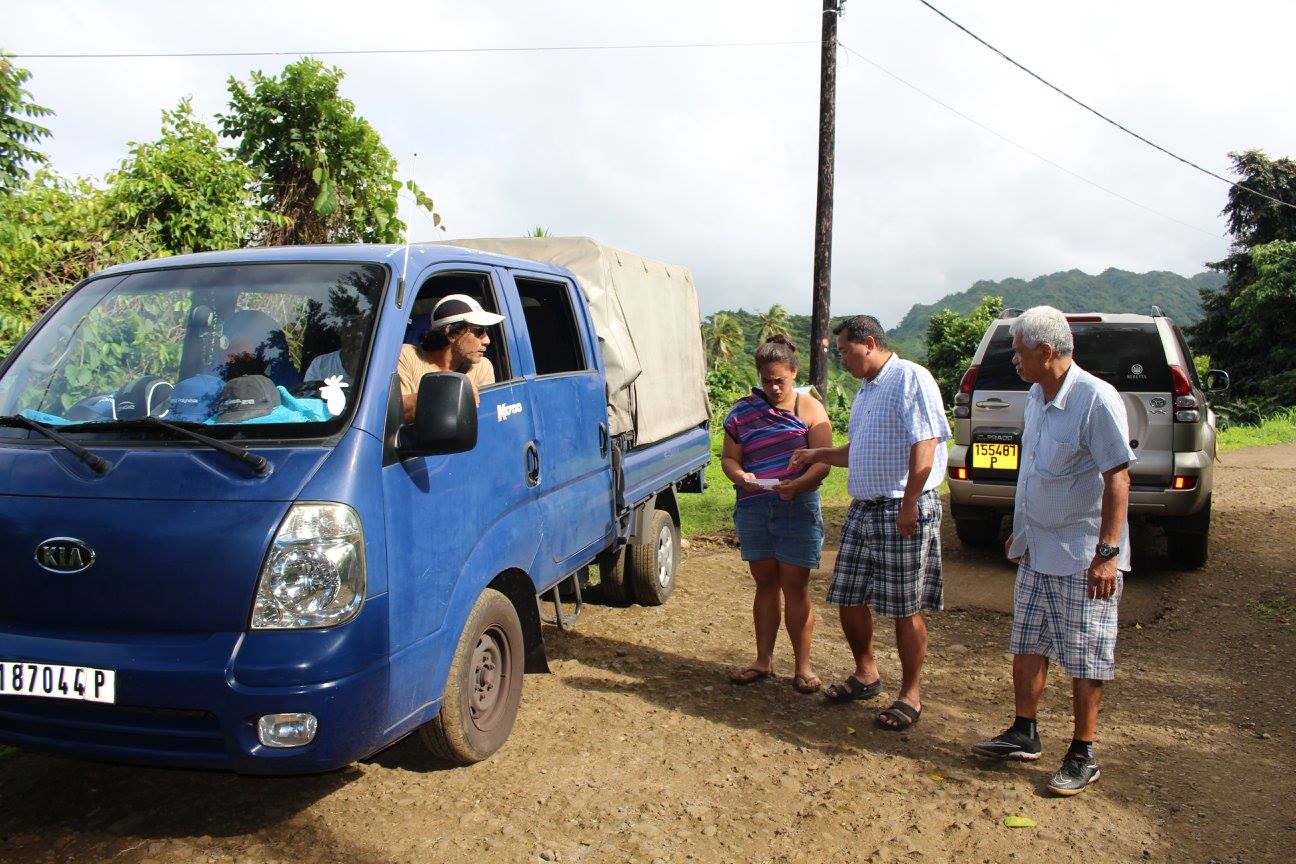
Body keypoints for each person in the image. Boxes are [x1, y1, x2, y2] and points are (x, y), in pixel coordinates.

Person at [971, 306, 1133, 797]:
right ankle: (1025, 731)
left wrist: (1107, 553)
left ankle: (1083, 753)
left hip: (1084, 555)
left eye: (1018, 351)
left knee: (1086, 657)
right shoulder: (1038, 397)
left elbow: (1118, 478)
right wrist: (1020, 531)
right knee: (1028, 642)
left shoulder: (1095, 400)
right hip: (1038, 547)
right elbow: (1033, 472)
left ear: (1045, 352)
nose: (1014, 360)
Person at [790, 315, 949, 731]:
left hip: (901, 506)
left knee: (904, 606)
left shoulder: (910, 379)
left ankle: (910, 694)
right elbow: (859, 451)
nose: (841, 358)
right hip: (865, 508)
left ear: (870, 343)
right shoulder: (866, 391)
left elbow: (925, 449)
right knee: (849, 595)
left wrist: (910, 504)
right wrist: (816, 455)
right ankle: (867, 674)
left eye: (845, 350)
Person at [721, 335, 832, 694]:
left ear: (794, 374)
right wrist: (741, 477)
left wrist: (798, 486)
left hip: (797, 508)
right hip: (755, 507)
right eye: (767, 380)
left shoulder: (811, 410)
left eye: (780, 380)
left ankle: (803, 667)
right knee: (765, 583)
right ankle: (762, 661)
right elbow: (730, 458)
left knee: (795, 586)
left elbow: (824, 462)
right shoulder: (741, 411)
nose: (772, 387)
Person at [397, 294, 503, 421]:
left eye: (486, 332)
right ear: (451, 334)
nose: (487, 340)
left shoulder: (482, 366)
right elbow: (395, 413)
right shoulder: (408, 356)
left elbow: (482, 419)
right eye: (479, 331)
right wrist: (451, 391)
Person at [303, 315, 368, 385]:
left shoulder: (373, 363)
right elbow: (307, 393)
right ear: (341, 334)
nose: (353, 341)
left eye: (358, 336)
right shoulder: (320, 364)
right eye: (348, 334)